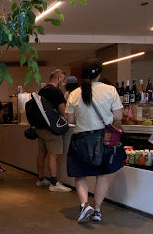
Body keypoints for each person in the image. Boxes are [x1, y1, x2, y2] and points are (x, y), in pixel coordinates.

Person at [65, 60, 125, 223]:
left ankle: (85, 205)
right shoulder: (110, 90)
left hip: (81, 139)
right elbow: (118, 116)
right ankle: (97, 210)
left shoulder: (74, 93)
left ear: (83, 75)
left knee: (80, 174)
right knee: (102, 175)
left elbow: (70, 119)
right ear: (99, 74)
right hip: (103, 139)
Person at [35, 69, 71, 192]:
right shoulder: (56, 91)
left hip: (40, 127)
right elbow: (63, 110)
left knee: (42, 153)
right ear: (59, 78)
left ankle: (40, 179)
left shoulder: (42, 91)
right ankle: (54, 183)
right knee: (53, 154)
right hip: (52, 128)